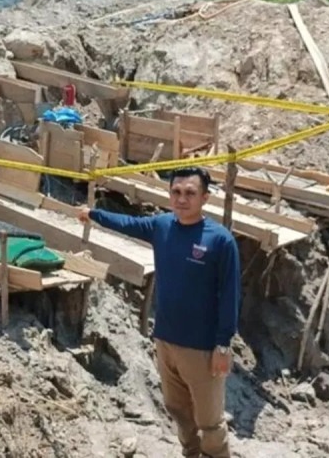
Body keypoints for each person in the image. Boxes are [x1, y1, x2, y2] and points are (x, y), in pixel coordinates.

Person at [77, 166, 240, 458]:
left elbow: (230, 295)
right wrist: (93, 214)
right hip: (165, 341)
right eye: (176, 192)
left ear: (205, 198)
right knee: (178, 411)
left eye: (190, 193)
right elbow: (127, 223)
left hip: (202, 349)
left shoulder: (220, 240)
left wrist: (223, 343)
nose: (181, 199)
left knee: (210, 423)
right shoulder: (162, 226)